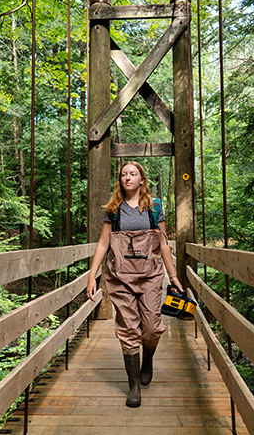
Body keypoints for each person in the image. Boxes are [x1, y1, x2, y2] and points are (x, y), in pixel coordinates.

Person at [87, 161, 182, 408]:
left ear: (142, 179)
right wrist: (92, 276)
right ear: (120, 180)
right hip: (120, 278)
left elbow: (163, 244)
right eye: (123, 174)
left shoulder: (155, 206)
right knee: (128, 329)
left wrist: (173, 277)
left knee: (151, 329)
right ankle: (134, 386)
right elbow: (102, 243)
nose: (127, 178)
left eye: (132, 174)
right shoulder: (114, 209)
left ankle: (147, 358)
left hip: (150, 276)